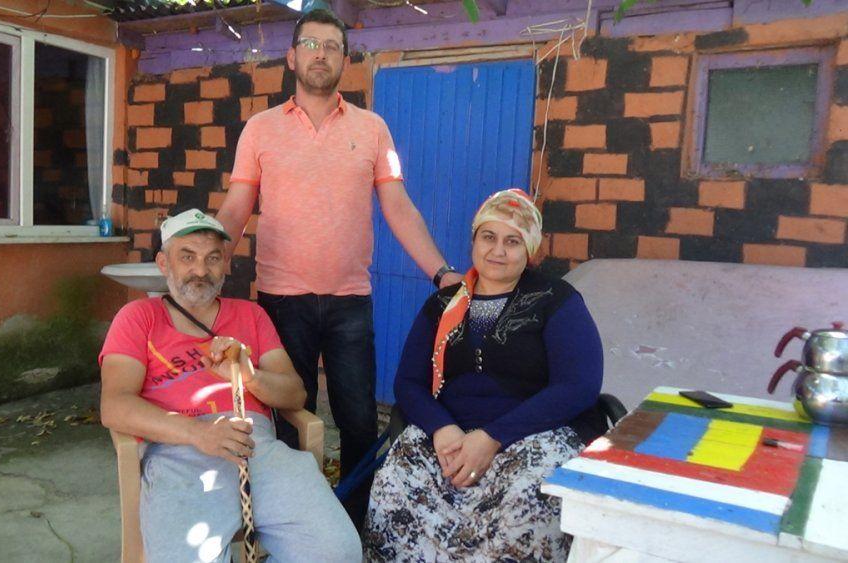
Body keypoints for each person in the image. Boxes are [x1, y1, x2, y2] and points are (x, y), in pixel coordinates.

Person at [215, 8, 463, 529]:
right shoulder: (260, 129)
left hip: (350, 302)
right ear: (292, 57)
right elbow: (236, 208)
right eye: (311, 44)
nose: (321, 54)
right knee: (287, 418)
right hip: (282, 303)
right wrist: (208, 264)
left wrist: (442, 272)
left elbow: (399, 208)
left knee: (358, 422)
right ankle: (294, 523)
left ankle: (353, 526)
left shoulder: (373, 129)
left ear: (345, 61)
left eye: (332, 46)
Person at [99, 209, 362, 563]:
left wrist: (249, 375)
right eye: (187, 257)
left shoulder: (251, 315)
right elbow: (115, 405)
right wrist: (197, 433)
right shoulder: (138, 318)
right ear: (163, 263)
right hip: (178, 455)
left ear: (225, 265)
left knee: (338, 552)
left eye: (212, 258)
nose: (201, 270)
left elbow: (294, 394)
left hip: (257, 448)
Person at [364, 189, 606, 562]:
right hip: (449, 437)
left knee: (533, 499)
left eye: (513, 241)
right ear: (474, 241)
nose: (498, 250)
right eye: (488, 237)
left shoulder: (555, 300)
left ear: (530, 250)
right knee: (394, 483)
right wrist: (441, 429)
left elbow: (579, 386)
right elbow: (409, 383)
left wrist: (493, 437)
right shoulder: (442, 304)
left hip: (531, 436)